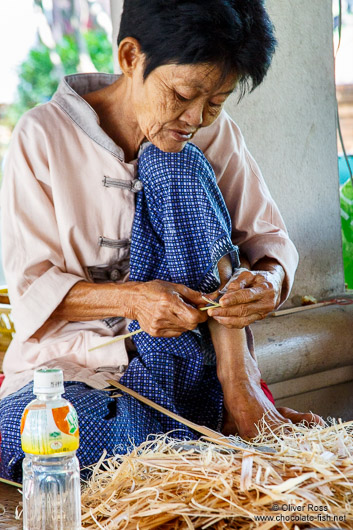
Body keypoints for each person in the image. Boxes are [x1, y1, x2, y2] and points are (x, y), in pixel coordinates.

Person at [0, 0, 322, 482]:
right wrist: (132, 299)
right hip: (72, 373)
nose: (195, 118)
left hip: (191, 368)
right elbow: (31, 291)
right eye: (183, 94)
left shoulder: (213, 138)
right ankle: (201, 442)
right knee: (36, 435)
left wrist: (268, 283)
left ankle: (238, 392)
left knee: (173, 161)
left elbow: (269, 244)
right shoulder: (42, 137)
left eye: (215, 103)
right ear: (131, 57)